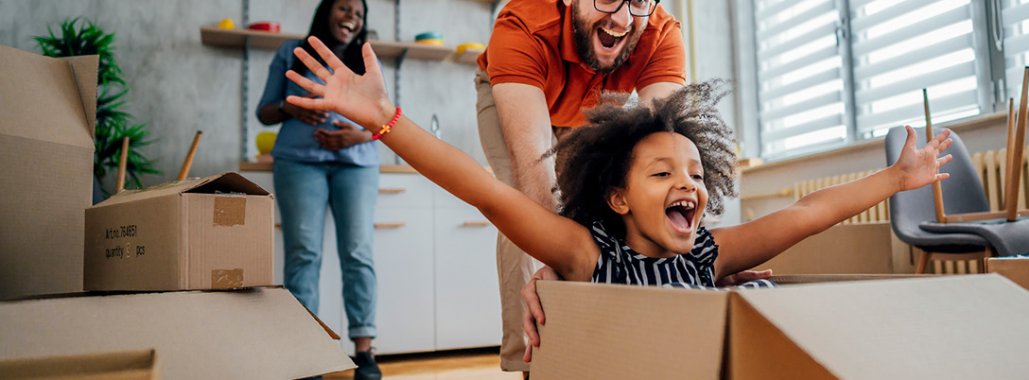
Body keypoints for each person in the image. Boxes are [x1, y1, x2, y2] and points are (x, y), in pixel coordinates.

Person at [283, 36, 955, 370]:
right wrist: (384, 119)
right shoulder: (584, 256)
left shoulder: (707, 257)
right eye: (661, 172)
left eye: (694, 171)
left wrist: (894, 181)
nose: (687, 182)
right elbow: (484, 190)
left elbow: (802, 218)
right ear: (617, 197)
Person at [475, 0, 693, 371]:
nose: (623, 19)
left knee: (603, 204)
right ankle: (527, 361)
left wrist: (699, 263)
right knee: (522, 212)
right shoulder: (522, 24)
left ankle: (596, 342)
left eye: (638, 1)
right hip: (517, 97)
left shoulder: (660, 34)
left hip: (591, 109)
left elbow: (672, 162)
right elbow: (534, 168)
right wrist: (554, 263)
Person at [254, 0, 382, 378]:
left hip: (356, 163)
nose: (351, 19)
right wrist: (292, 108)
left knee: (358, 252)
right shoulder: (291, 52)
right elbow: (264, 110)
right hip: (298, 161)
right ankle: (305, 353)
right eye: (344, 9)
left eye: (358, 15)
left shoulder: (366, 60)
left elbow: (386, 120)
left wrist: (356, 135)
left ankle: (365, 351)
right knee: (303, 255)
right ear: (327, 10)